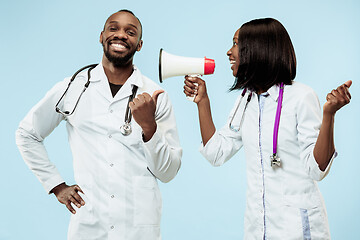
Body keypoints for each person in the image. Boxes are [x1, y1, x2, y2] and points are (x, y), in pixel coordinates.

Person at [16, 9, 182, 240]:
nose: (121, 35)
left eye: (130, 32)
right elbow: (27, 134)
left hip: (138, 225)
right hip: (88, 223)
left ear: (140, 44)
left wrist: (149, 128)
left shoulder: (155, 95)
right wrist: (56, 185)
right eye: (113, 28)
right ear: (102, 36)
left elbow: (168, 172)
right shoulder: (72, 87)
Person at [183, 18, 351, 239]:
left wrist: (329, 114)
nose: (229, 52)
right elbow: (216, 153)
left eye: (236, 43)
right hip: (257, 227)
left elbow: (316, 169)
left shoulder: (301, 96)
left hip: (296, 228)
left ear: (259, 50)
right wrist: (202, 102)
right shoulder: (246, 99)